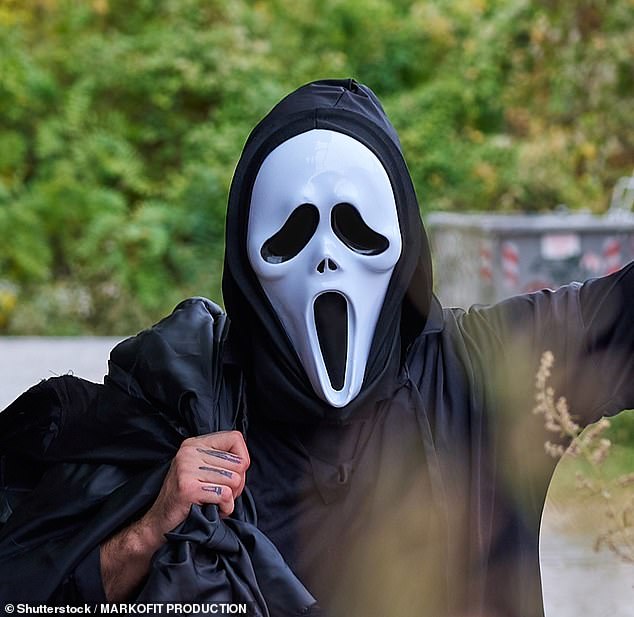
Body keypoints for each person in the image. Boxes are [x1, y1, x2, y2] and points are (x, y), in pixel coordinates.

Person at [1, 79, 633, 617]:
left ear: (401, 242)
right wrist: (148, 527)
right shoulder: (184, 401)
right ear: (249, 260)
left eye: (357, 230)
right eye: (292, 232)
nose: (328, 259)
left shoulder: (486, 371)